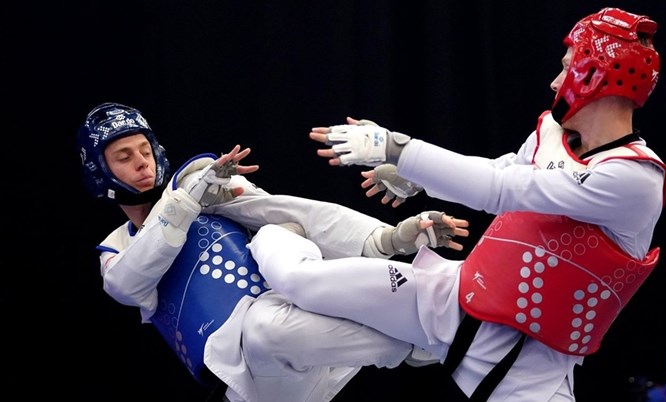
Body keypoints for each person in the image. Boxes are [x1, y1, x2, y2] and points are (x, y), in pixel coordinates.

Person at [248, 7, 666, 402]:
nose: (556, 83)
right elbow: (499, 168)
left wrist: (396, 148)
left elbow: (501, 188)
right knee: (302, 282)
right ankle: (274, 230)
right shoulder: (552, 134)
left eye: (565, 66)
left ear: (593, 74)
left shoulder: (634, 179)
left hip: (527, 374)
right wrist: (414, 178)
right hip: (449, 298)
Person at [76, 102, 470, 402]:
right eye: (124, 157)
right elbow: (127, 284)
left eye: (144, 150)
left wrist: (389, 240)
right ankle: (432, 323)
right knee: (261, 330)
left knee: (276, 236)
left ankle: (439, 330)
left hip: (308, 330)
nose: (141, 163)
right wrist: (185, 202)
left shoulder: (202, 181)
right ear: (100, 173)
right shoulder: (118, 248)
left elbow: (285, 210)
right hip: (255, 381)